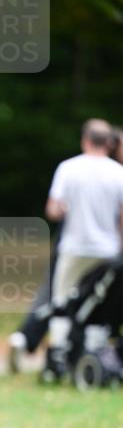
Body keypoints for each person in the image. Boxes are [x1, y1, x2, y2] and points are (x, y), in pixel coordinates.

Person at [44, 118, 123, 372]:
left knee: (62, 299)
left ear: (85, 140)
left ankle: (58, 353)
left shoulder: (68, 168)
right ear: (109, 143)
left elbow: (53, 209)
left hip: (74, 248)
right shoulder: (118, 172)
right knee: (99, 299)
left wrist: (64, 209)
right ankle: (93, 349)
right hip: (108, 250)